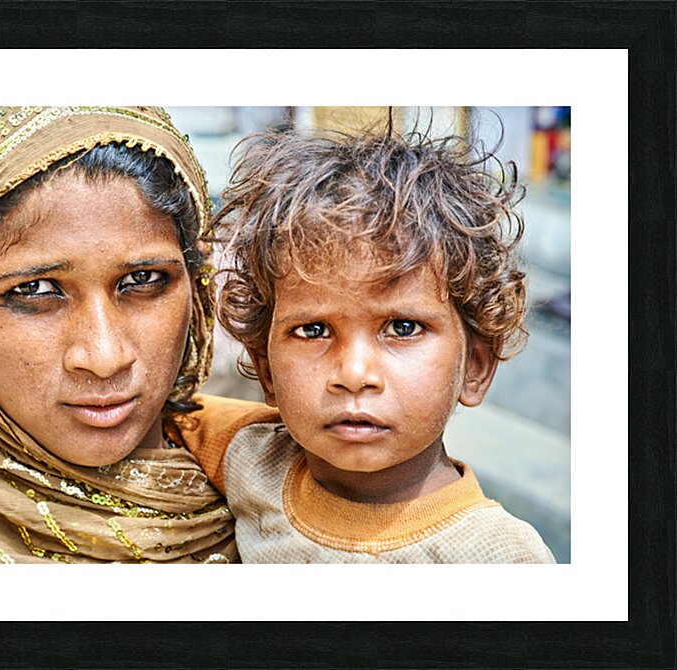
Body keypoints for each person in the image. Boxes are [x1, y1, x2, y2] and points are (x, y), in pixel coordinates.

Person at [0, 106, 240, 563]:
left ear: (196, 279)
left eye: (143, 280)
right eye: (35, 291)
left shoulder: (293, 487)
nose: (105, 356)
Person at [184, 127, 556, 563]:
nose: (354, 374)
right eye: (313, 330)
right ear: (266, 369)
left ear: (475, 367)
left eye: (401, 328)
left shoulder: (502, 559)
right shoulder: (251, 458)